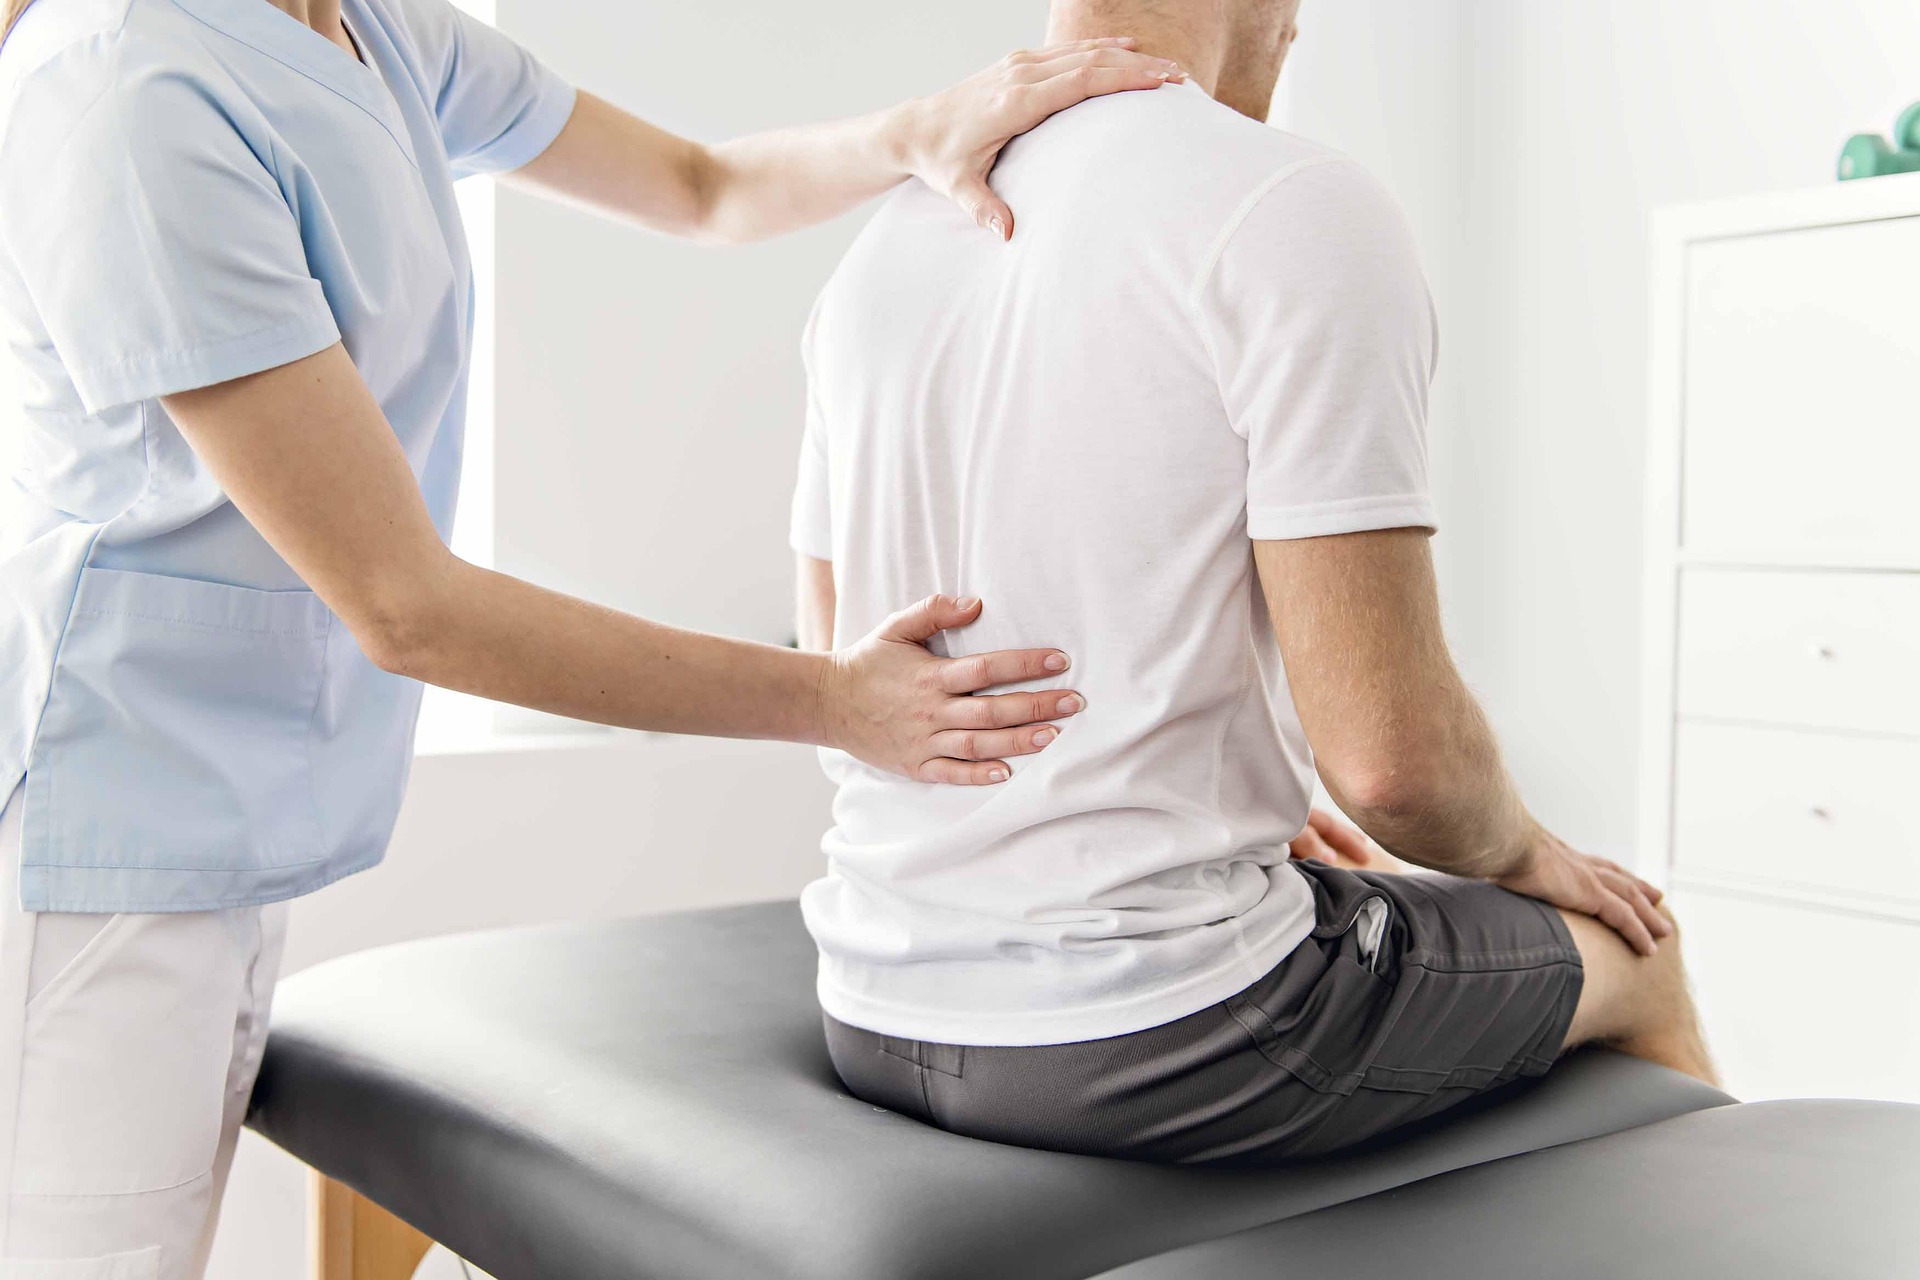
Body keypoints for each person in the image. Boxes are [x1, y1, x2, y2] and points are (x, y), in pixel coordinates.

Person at [0, 0, 1188, 1271]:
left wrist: (915, 133)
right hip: (90, 828)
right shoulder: (130, 85)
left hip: (222, 815)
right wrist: (838, 700)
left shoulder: (369, 31)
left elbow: (699, 185)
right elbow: (406, 603)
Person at [791, 0, 1717, 1166]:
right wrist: (1536, 858)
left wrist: (1222, 810)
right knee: (1643, 952)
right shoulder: (1288, 201)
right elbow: (1394, 768)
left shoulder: (887, 240)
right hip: (1168, 1020)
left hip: (873, 1000)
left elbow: (837, 659)